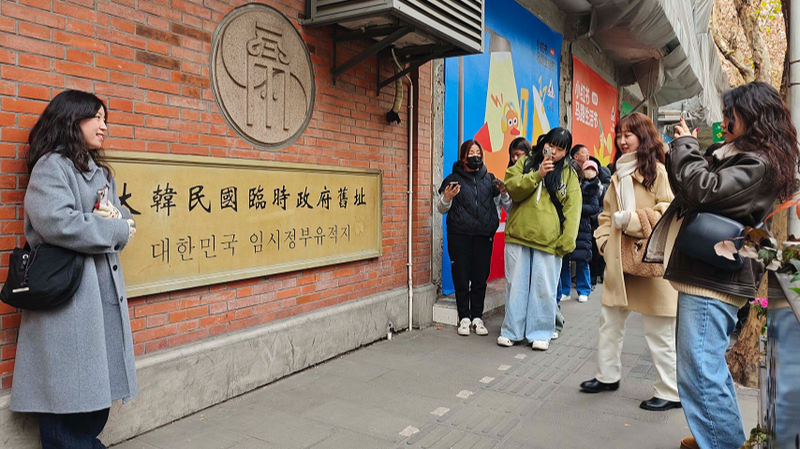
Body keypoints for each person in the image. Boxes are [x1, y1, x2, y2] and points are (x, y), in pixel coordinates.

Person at [645, 82, 800, 449]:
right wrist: (692, 150)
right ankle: (714, 437)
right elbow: (693, 185)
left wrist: (685, 146)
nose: (725, 119)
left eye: (732, 113)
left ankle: (721, 441)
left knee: (700, 373)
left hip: (714, 276)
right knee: (701, 370)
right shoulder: (739, 155)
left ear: (754, 116)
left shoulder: (757, 162)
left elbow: (702, 189)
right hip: (707, 271)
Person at [10, 90, 138, 448]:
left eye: (105, 118)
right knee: (66, 402)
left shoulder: (96, 171)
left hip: (97, 294)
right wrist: (114, 228)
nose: (104, 126)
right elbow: (56, 221)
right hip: (67, 297)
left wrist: (119, 226)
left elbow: (120, 220)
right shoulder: (51, 166)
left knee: (92, 404)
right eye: (96, 117)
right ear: (72, 119)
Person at [580, 112, 680, 414]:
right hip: (620, 261)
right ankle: (607, 376)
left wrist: (633, 221)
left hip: (652, 263)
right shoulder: (617, 174)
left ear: (643, 136)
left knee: (659, 330)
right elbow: (605, 216)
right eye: (619, 134)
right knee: (609, 323)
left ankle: (670, 390)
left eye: (629, 134)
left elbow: (669, 210)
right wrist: (606, 243)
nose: (622, 140)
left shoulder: (659, 172)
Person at [497, 128, 581, 351]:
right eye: (551, 145)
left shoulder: (569, 174)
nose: (554, 151)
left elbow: (573, 209)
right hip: (519, 234)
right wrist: (537, 174)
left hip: (549, 240)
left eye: (560, 148)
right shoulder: (526, 161)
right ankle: (512, 330)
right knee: (516, 286)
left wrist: (567, 241)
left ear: (566, 152)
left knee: (543, 288)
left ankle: (540, 332)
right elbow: (512, 188)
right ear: (544, 142)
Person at [438, 139, 510, 336]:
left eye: (478, 152)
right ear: (463, 157)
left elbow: (503, 205)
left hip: (483, 235)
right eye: (471, 153)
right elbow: (440, 208)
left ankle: (477, 317)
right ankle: (464, 318)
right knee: (461, 277)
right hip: (459, 235)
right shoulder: (453, 179)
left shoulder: (490, 179)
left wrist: (502, 196)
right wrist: (447, 198)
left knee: (480, 277)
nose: (475, 156)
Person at [561, 160, 601, 304]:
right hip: (565, 227)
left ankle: (584, 290)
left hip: (582, 229)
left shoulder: (590, 189)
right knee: (564, 260)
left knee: (582, 261)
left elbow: (594, 208)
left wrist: (576, 207)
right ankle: (564, 290)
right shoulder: (561, 186)